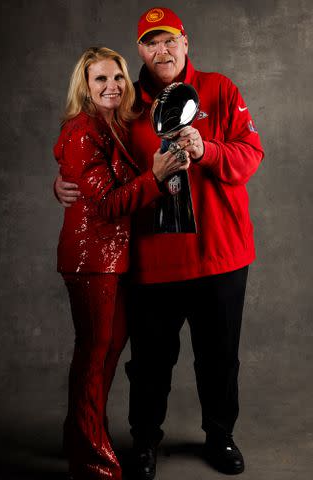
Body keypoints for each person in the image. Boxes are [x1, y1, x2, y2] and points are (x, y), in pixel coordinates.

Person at [55, 7, 265, 479]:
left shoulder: (220, 89)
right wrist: (62, 183)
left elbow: (251, 155)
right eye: (151, 43)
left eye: (170, 40)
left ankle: (220, 435)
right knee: (149, 363)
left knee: (220, 359)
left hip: (220, 254)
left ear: (185, 42)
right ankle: (145, 441)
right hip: (152, 259)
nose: (162, 50)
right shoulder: (125, 104)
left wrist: (206, 149)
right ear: (140, 51)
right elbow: (91, 163)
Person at [53, 45, 190, 480]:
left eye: (117, 77)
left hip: (114, 258)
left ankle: (81, 438)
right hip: (92, 258)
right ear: (85, 86)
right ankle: (93, 462)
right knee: (95, 356)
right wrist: (156, 177)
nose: (111, 86)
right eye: (100, 80)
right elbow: (108, 204)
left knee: (104, 355)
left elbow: (105, 187)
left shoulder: (114, 123)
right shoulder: (83, 128)